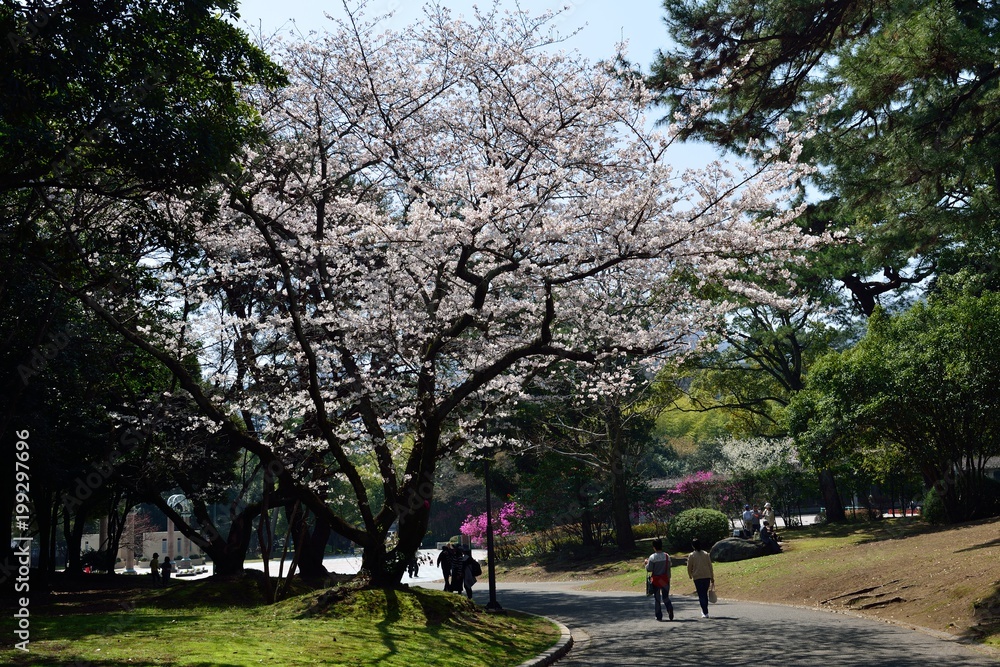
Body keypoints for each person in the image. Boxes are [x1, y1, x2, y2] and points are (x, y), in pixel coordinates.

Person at [644, 538, 673, 621]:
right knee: (665, 597)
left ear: (654, 547)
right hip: (665, 579)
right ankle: (669, 607)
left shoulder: (652, 557)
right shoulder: (667, 556)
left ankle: (658, 615)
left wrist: (646, 563)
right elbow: (669, 567)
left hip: (656, 580)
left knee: (657, 599)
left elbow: (649, 569)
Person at [687, 538, 715, 618]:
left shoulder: (692, 555)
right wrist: (712, 576)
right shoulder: (706, 554)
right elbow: (710, 566)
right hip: (706, 576)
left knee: (701, 594)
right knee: (704, 594)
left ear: (693, 546)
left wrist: (690, 574)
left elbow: (689, 566)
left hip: (697, 577)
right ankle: (705, 610)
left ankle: (704, 611)